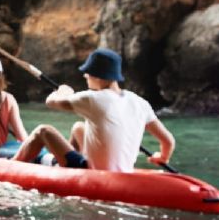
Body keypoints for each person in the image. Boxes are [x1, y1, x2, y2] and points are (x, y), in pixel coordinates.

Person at [13, 48, 175, 172]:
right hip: (122, 170)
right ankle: (62, 169)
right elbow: (168, 141)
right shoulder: (140, 102)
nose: (85, 76)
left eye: (88, 73)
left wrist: (63, 91)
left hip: (92, 171)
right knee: (79, 127)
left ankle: (11, 165)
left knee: (43, 131)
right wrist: (162, 157)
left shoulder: (93, 99)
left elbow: (51, 101)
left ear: (98, 76)